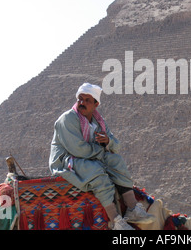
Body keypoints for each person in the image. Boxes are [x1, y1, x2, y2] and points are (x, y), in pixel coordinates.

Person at [49, 83, 155, 230]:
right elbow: (78, 150)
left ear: (96, 104)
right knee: (96, 171)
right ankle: (116, 221)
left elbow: (116, 146)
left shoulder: (98, 122)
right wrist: (102, 151)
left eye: (87, 100)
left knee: (116, 161)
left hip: (91, 156)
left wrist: (108, 141)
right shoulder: (67, 119)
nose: (82, 103)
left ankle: (132, 208)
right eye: (80, 99)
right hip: (67, 160)